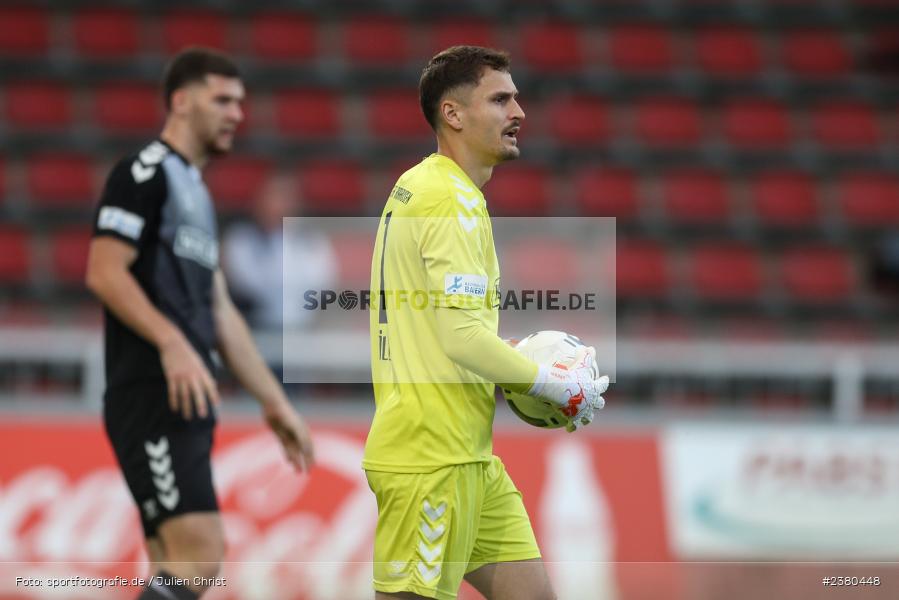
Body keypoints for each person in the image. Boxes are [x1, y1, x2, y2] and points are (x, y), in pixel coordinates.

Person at [364, 46, 609, 600]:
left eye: (516, 97)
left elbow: (445, 325)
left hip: (469, 457)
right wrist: (549, 382)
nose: (519, 112)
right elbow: (461, 337)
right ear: (453, 114)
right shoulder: (449, 200)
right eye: (500, 99)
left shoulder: (424, 185)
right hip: (430, 458)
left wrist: (517, 356)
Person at [85, 47, 314, 600]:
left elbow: (219, 312)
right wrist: (171, 343)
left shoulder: (195, 193)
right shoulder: (144, 173)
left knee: (174, 558)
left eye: (241, 102)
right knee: (200, 551)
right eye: (223, 99)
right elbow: (103, 270)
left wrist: (275, 403)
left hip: (185, 397)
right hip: (151, 391)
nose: (237, 113)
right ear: (182, 102)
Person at [223, 172, 337, 331]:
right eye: (272, 199)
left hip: (304, 326)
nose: (278, 206)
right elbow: (246, 283)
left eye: (285, 200)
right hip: (255, 325)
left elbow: (322, 282)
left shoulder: (312, 240)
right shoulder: (241, 239)